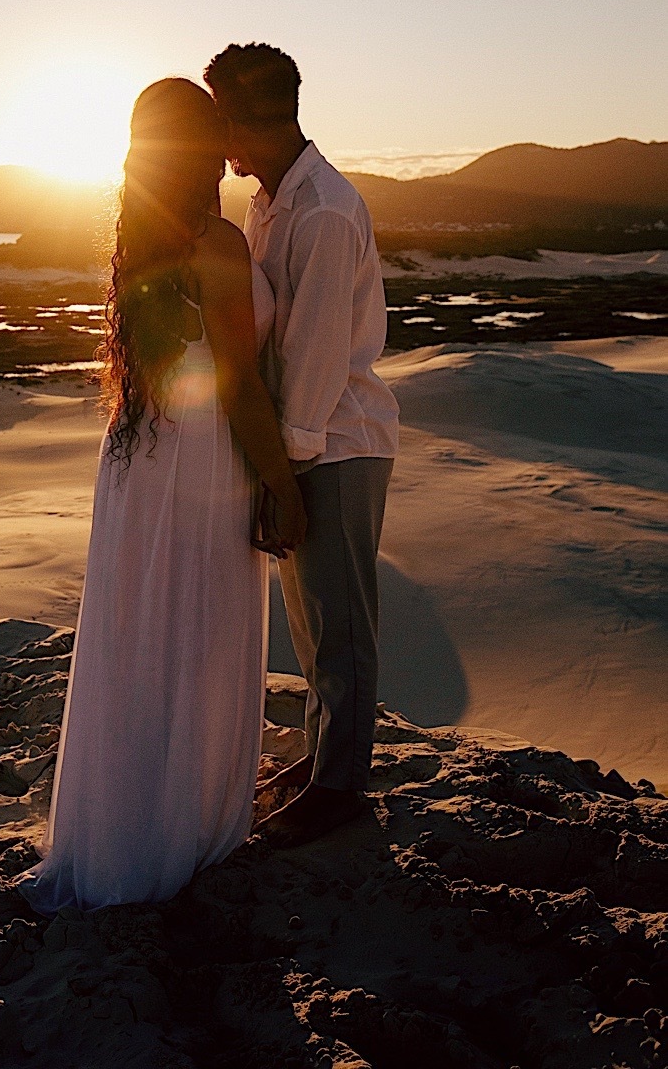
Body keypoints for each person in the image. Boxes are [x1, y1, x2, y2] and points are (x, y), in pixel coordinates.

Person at [18, 78, 305, 912]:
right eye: (212, 132)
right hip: (197, 462)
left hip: (140, 457)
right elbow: (239, 385)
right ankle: (175, 831)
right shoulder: (214, 242)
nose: (224, 148)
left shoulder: (142, 234)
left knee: (140, 637)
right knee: (193, 634)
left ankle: (126, 827)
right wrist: (281, 484)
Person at [204, 43, 399, 846]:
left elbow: (314, 355)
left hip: (335, 441)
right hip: (303, 440)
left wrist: (283, 472)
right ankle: (324, 761)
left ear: (247, 118)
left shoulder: (319, 210)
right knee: (313, 623)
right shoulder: (270, 201)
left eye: (220, 122)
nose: (216, 143)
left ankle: (340, 787)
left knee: (340, 622)